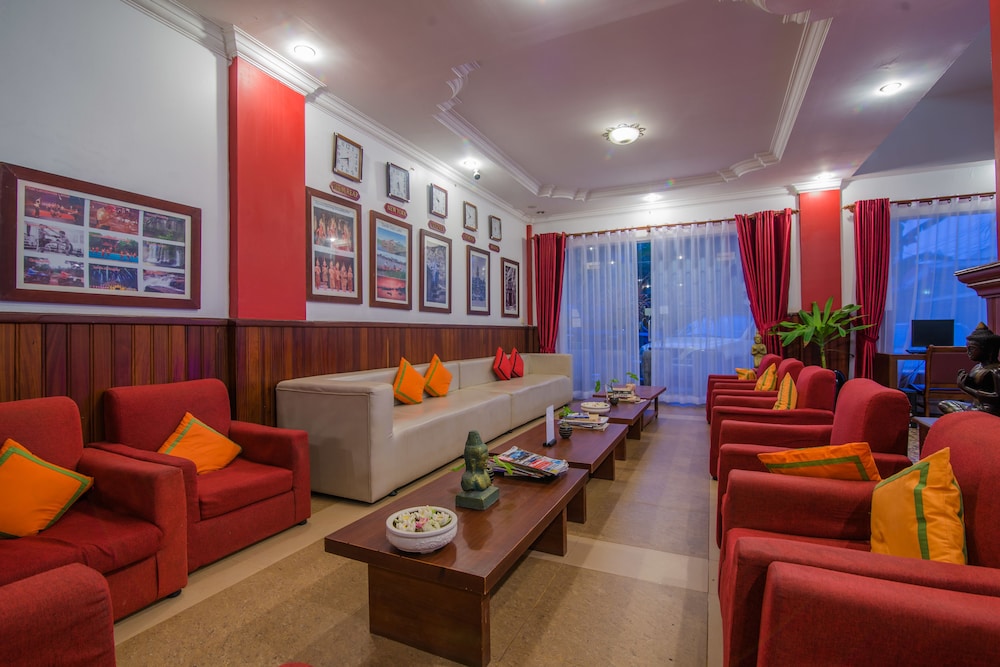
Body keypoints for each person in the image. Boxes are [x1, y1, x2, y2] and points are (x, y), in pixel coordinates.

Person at [939, 322, 1000, 416]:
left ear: (988, 350)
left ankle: (971, 417)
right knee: (944, 404)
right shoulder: (978, 367)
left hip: (989, 410)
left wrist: (966, 388)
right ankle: (967, 416)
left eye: (972, 349)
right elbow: (977, 386)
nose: (968, 352)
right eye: (967, 349)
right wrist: (966, 381)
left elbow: (997, 398)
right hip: (975, 406)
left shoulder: (996, 371)